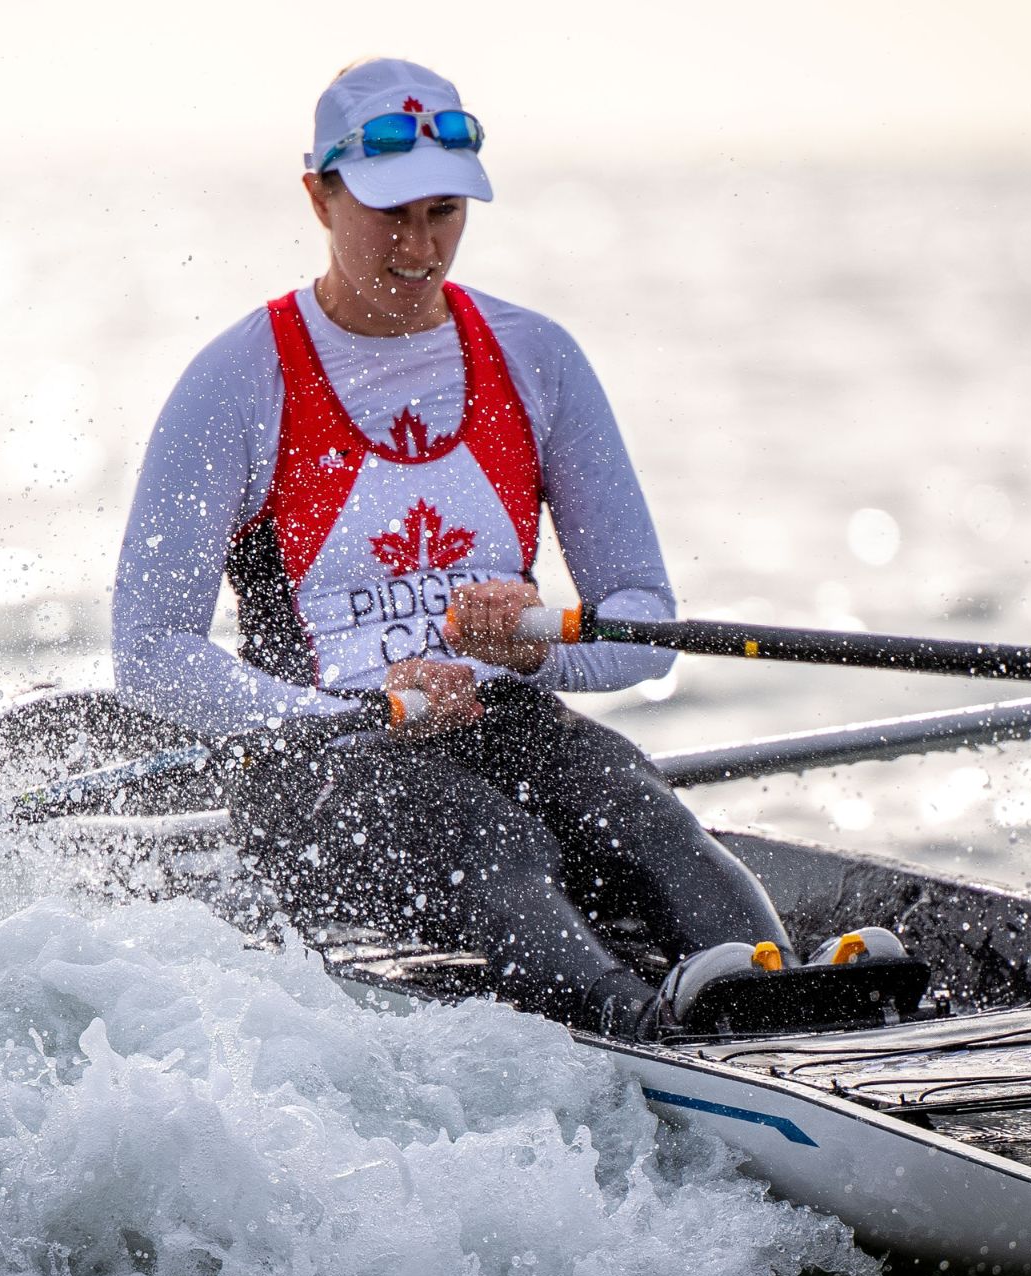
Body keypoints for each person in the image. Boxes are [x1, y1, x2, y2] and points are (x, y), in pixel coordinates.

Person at [111, 57, 788, 1038]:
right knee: (491, 841)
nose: (421, 246)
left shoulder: (537, 357)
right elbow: (149, 650)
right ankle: (646, 1033)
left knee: (643, 815)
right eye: (390, 213)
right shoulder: (235, 381)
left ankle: (786, 996)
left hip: (508, 717)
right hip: (320, 754)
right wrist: (354, 702)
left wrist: (535, 647)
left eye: (444, 212)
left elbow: (644, 623)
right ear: (318, 196)